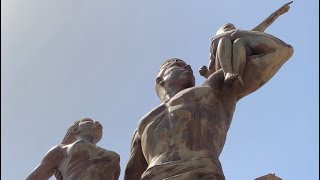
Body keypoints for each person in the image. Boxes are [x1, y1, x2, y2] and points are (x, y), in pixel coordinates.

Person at [124, 3, 293, 180]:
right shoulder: (143, 125)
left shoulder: (212, 90)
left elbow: (280, 51)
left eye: (185, 64)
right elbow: (132, 174)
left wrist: (228, 35)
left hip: (202, 174)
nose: (187, 66)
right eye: (178, 64)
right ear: (160, 80)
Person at [199, 1, 293, 87]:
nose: (232, 27)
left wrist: (278, 13)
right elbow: (211, 72)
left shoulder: (243, 35)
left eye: (233, 27)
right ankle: (228, 73)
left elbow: (264, 24)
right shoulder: (215, 43)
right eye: (228, 26)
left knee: (239, 42)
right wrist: (205, 72)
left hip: (240, 63)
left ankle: (237, 76)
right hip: (222, 68)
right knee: (224, 40)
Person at [26, 118, 120, 180]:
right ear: (75, 129)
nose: (97, 123)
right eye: (89, 121)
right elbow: (35, 176)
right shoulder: (61, 149)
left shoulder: (110, 155)